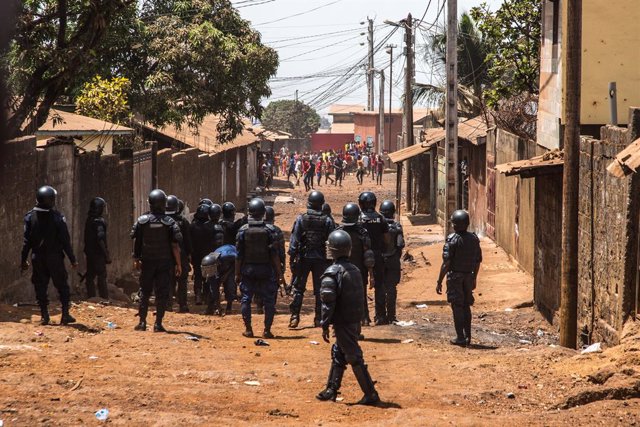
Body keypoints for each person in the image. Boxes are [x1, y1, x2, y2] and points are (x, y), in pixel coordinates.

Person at [316, 230, 380, 405]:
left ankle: (371, 393)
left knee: (353, 356)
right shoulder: (355, 270)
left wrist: (324, 324)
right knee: (339, 353)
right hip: (353, 320)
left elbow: (327, 303)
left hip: (342, 322)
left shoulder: (332, 272)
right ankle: (331, 389)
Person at [21, 186, 78, 325]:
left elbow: (26, 242)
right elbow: (65, 241)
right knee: (62, 286)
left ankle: (44, 316)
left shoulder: (30, 217)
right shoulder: (57, 218)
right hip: (55, 258)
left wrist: (23, 260)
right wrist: (72, 259)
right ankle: (65, 315)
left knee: (40, 286)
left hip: (38, 258)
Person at [131, 189, 183, 332]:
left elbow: (137, 242)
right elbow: (175, 245)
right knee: (162, 293)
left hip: (147, 261)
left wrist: (136, 258)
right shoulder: (170, 222)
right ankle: (158, 324)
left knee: (144, 291)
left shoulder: (142, 221)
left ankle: (142, 323)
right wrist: (179, 264)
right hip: (164, 263)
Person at [235, 198, 284, 338]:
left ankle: (249, 329)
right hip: (266, 271)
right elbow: (274, 255)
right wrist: (279, 273)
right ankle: (267, 330)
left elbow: (239, 255)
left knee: (246, 299)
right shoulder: (270, 231)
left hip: (248, 271)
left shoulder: (242, 231)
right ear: (263, 213)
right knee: (269, 300)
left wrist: (237, 273)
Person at [288, 191, 335, 328]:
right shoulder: (327, 220)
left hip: (304, 258)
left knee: (298, 288)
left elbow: (294, 241)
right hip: (321, 259)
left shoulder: (301, 219)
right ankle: (318, 318)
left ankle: (295, 316)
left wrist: (292, 259)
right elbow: (331, 241)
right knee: (320, 289)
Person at [436, 210, 482, 346]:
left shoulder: (452, 240)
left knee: (457, 306)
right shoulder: (474, 239)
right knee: (466, 306)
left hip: (455, 277)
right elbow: (478, 261)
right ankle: (468, 336)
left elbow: (446, 263)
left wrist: (439, 281)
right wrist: (474, 278)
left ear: (454, 225)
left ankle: (460, 337)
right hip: (469, 276)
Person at [336, 203, 375, 326]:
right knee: (361, 294)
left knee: (340, 294)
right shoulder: (362, 232)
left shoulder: (338, 232)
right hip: (359, 270)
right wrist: (371, 274)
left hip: (341, 269)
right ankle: (364, 318)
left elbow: (331, 254)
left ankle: (341, 322)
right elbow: (368, 255)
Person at [358, 192, 389, 325]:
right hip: (377, 255)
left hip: (361, 256)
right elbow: (387, 239)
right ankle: (381, 316)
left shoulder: (358, 219)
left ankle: (364, 317)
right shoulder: (380, 218)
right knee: (380, 286)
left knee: (361, 286)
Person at [256, 205, 286, 314]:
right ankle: (271, 306)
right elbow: (281, 250)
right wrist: (282, 265)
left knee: (258, 283)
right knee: (273, 284)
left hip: (258, 261)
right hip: (274, 262)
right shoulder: (277, 230)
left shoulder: (255, 228)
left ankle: (259, 306)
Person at [379, 201, 405, 323]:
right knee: (391, 289)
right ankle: (391, 316)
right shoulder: (397, 227)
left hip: (380, 260)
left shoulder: (378, 226)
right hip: (393, 260)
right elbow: (400, 244)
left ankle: (380, 316)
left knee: (380, 288)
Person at [166, 195, 192, 313]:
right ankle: (183, 305)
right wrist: (189, 254)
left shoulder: (163, 220)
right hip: (180, 254)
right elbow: (187, 240)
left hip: (165, 255)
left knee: (168, 280)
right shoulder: (182, 222)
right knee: (182, 280)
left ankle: (168, 305)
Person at [83, 197, 111, 299]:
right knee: (101, 275)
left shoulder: (89, 220)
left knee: (90, 276)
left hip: (89, 253)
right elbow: (100, 239)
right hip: (98, 253)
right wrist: (106, 255)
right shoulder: (98, 222)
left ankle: (91, 296)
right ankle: (104, 297)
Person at [190, 203, 215, 305]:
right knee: (207, 275)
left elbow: (189, 241)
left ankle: (198, 295)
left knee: (198, 274)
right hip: (208, 255)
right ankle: (206, 295)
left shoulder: (192, 226)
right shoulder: (211, 227)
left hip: (196, 255)